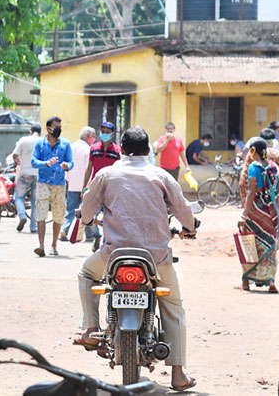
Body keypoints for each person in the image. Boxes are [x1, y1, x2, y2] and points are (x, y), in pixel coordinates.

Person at [74, 126, 198, 393]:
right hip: (156, 259)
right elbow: (183, 211)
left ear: (120, 148)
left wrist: (85, 218)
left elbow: (87, 209)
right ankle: (178, 374)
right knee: (173, 307)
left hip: (113, 257)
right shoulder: (161, 176)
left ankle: (91, 328)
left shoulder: (106, 175)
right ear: (148, 151)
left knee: (86, 274)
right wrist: (190, 226)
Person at [240, 139, 279, 293]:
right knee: (270, 244)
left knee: (248, 243)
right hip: (270, 210)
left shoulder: (253, 167)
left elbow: (251, 191)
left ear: (253, 150)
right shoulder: (274, 166)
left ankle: (246, 281)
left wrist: (244, 215)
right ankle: (270, 281)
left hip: (255, 209)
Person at [32, 116, 73, 257]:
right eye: (56, 127)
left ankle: (54, 245)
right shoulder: (40, 144)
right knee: (41, 213)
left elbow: (71, 162)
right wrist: (46, 163)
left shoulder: (65, 144)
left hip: (60, 184)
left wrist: (67, 166)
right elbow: (33, 161)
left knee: (58, 215)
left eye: (60, 127)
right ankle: (41, 245)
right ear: (49, 128)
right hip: (43, 182)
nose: (58, 129)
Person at [82, 122, 120, 251]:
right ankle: (97, 235)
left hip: (111, 188)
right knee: (88, 213)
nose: (104, 134)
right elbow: (89, 169)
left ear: (112, 134)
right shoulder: (93, 148)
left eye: (107, 132)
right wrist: (84, 187)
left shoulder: (117, 151)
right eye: (102, 131)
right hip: (95, 186)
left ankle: (105, 244)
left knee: (109, 217)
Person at [61, 126, 94, 241]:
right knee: (86, 210)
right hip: (85, 186)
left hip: (73, 184)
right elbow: (89, 169)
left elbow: (67, 166)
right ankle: (91, 235)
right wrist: (88, 186)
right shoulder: (88, 150)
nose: (94, 139)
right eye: (93, 136)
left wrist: (68, 180)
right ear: (88, 137)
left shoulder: (71, 147)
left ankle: (64, 229)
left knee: (71, 209)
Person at [11, 124, 41, 233]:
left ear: (30, 131)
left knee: (18, 197)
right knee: (35, 201)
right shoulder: (43, 141)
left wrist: (18, 159)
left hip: (25, 172)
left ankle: (22, 215)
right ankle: (33, 227)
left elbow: (15, 154)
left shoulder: (23, 140)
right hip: (38, 173)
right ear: (40, 132)